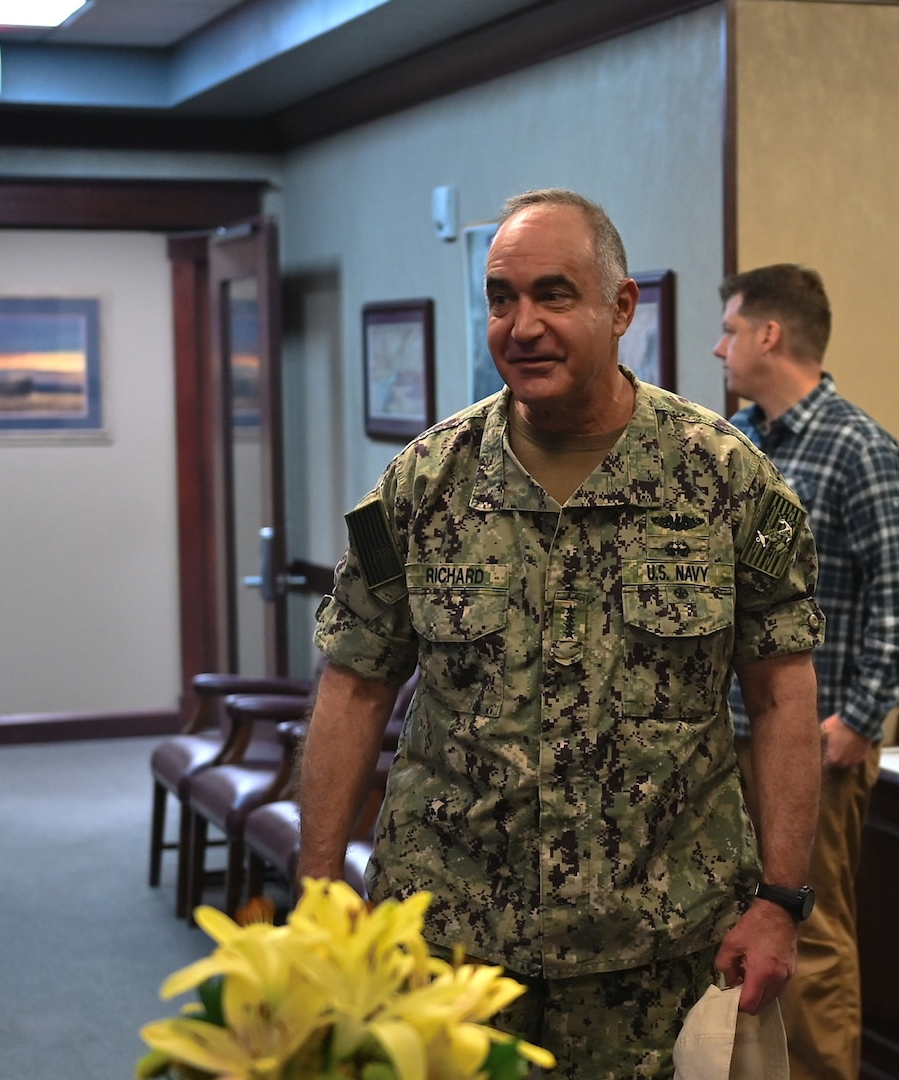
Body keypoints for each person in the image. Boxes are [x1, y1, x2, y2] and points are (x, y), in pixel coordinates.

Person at [297, 188, 826, 1080]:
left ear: (621, 308)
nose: (522, 324)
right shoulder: (425, 484)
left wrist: (779, 900)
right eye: (502, 298)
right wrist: (318, 890)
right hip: (454, 951)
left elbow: (782, 698)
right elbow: (354, 684)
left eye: (554, 295)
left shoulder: (724, 479)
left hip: (657, 951)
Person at [713, 264, 899, 1079]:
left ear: (771, 335)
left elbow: (898, 596)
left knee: (812, 929)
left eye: (731, 328)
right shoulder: (736, 442)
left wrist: (862, 719)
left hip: (817, 737)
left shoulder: (859, 446)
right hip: (727, 734)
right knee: (735, 926)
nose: (720, 345)